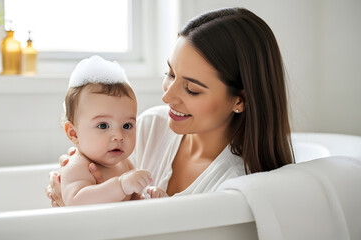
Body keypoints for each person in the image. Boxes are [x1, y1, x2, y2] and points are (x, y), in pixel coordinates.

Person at [46, 7, 294, 207]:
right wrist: (70, 189)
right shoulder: (150, 126)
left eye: (192, 89)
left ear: (240, 100)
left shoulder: (237, 184)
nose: (167, 97)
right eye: (170, 73)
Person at [57, 55, 158, 206]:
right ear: (74, 133)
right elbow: (76, 201)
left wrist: (149, 196)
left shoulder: (124, 164)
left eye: (127, 126)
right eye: (103, 126)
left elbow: (132, 201)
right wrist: (121, 185)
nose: (119, 136)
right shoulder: (78, 166)